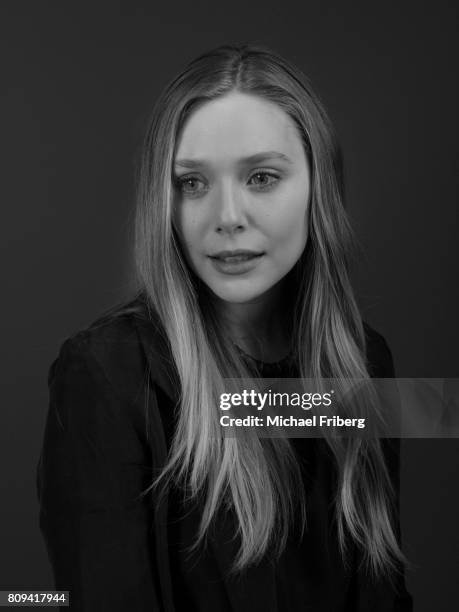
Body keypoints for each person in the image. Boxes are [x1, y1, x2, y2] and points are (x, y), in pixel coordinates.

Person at [37, 43, 413, 611]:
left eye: (261, 177)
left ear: (319, 188)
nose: (227, 216)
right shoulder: (106, 375)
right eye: (192, 183)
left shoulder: (364, 362)